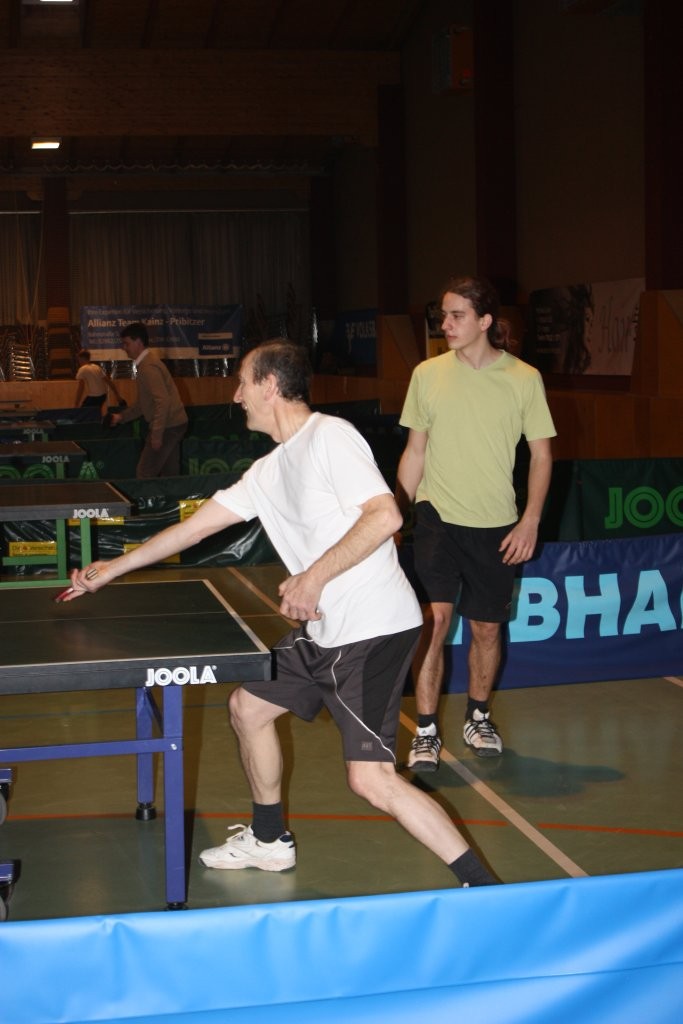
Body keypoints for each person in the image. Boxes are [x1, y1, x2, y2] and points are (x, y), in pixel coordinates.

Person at [63, 339, 499, 888]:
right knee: (247, 707)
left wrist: (312, 577)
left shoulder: (330, 436)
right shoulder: (266, 472)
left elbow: (386, 516)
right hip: (324, 631)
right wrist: (113, 568)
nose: (236, 395)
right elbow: (193, 530)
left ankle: (484, 888)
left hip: (373, 631)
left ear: (270, 386)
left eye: (243, 382)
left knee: (372, 781)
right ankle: (269, 840)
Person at [396, 276, 556, 771]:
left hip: (496, 526)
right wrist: (396, 513)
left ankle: (478, 716)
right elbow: (415, 451)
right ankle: (426, 729)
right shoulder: (427, 374)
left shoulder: (524, 378)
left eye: (456, 315)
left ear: (485, 321)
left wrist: (530, 521)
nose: (445, 325)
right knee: (434, 622)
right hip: (437, 518)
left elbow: (542, 455)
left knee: (486, 629)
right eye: (442, 316)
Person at [109, 322, 188, 478]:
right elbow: (142, 404)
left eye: (126, 343)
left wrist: (156, 434)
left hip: (168, 426)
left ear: (138, 342)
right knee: (170, 473)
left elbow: (163, 401)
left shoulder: (148, 367)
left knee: (145, 472)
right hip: (174, 423)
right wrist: (120, 417)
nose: (124, 348)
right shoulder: (147, 364)